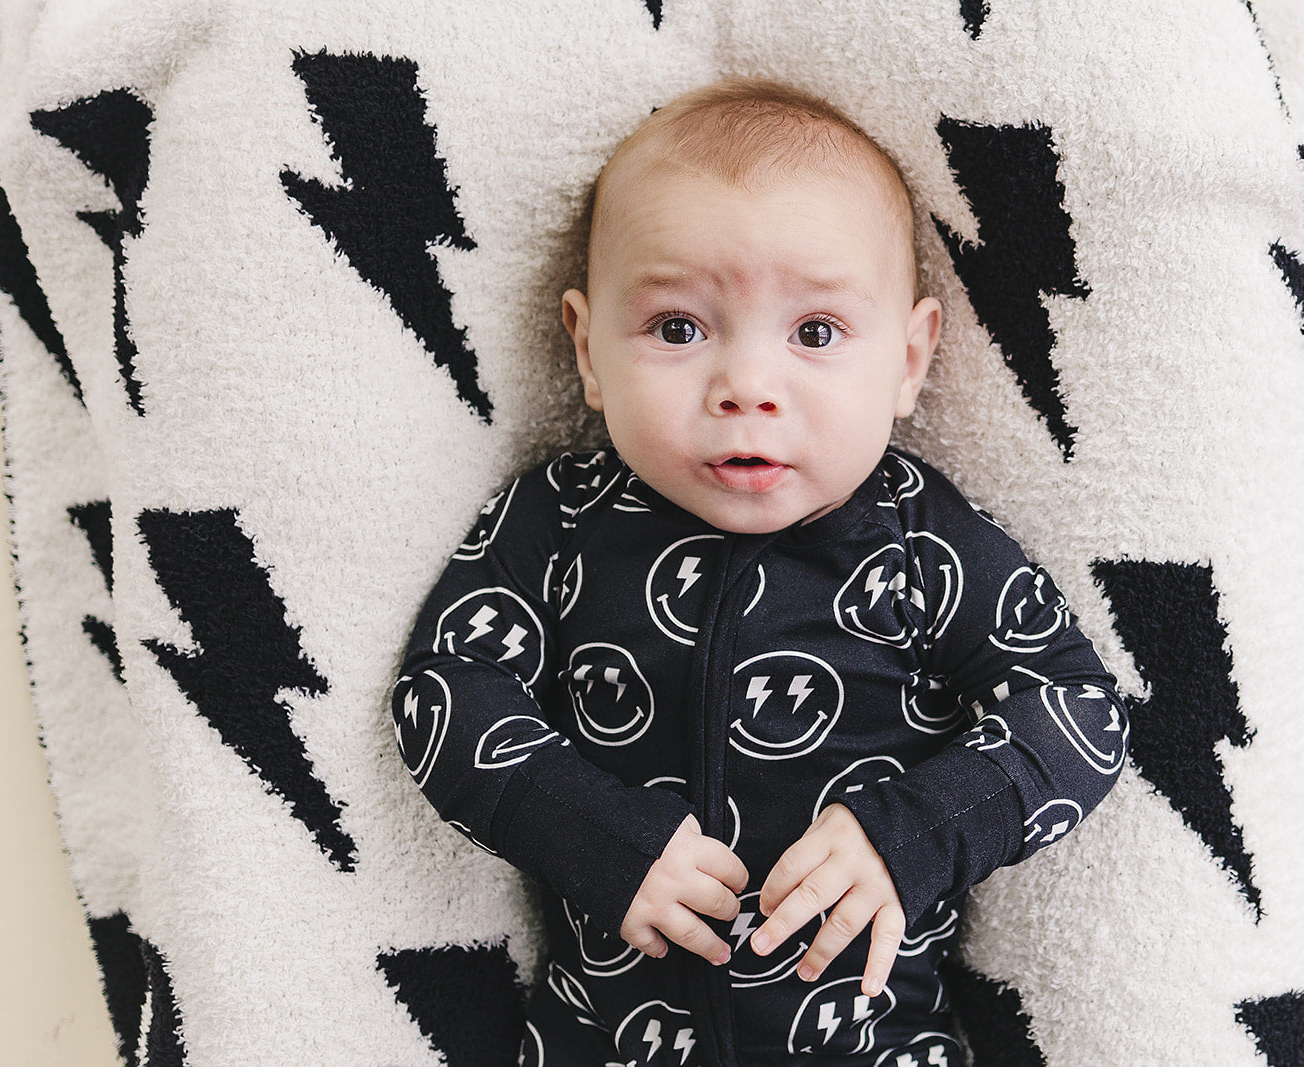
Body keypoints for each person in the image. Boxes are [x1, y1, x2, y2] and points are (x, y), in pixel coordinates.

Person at [392, 78, 1127, 1066]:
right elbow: (446, 689)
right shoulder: (559, 522)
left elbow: (1076, 711)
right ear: (588, 349)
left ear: (909, 360)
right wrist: (598, 836)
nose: (746, 387)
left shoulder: (921, 542)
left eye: (815, 333)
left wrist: (910, 834)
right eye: (677, 328)